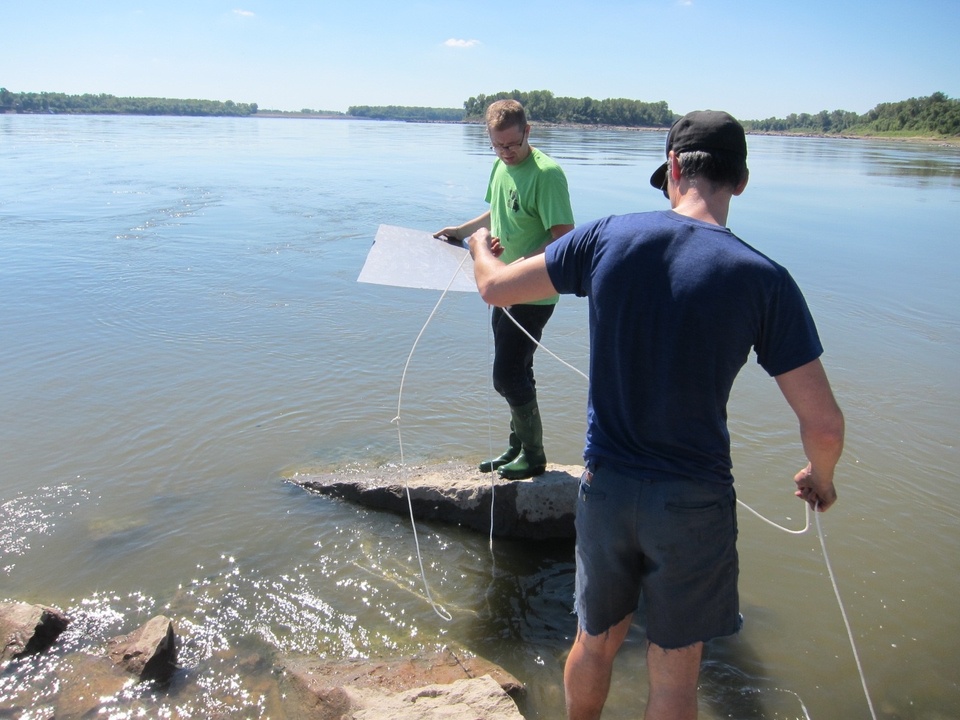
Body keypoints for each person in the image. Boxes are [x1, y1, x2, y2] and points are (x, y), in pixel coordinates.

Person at [466, 110, 845, 719]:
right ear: (741, 181)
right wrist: (819, 478)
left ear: (673, 168)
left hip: (606, 485)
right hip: (694, 500)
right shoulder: (765, 280)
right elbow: (823, 424)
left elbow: (496, 288)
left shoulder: (605, 237)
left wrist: (481, 247)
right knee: (674, 678)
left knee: (595, 642)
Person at [435, 99, 574, 479]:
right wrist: (461, 232)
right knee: (517, 369)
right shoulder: (499, 165)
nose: (506, 153)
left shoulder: (547, 174)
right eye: (498, 146)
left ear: (528, 132)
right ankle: (517, 446)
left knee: (506, 375)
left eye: (513, 145)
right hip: (503, 284)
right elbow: (496, 212)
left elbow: (564, 239)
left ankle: (534, 455)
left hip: (532, 289)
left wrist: (512, 269)